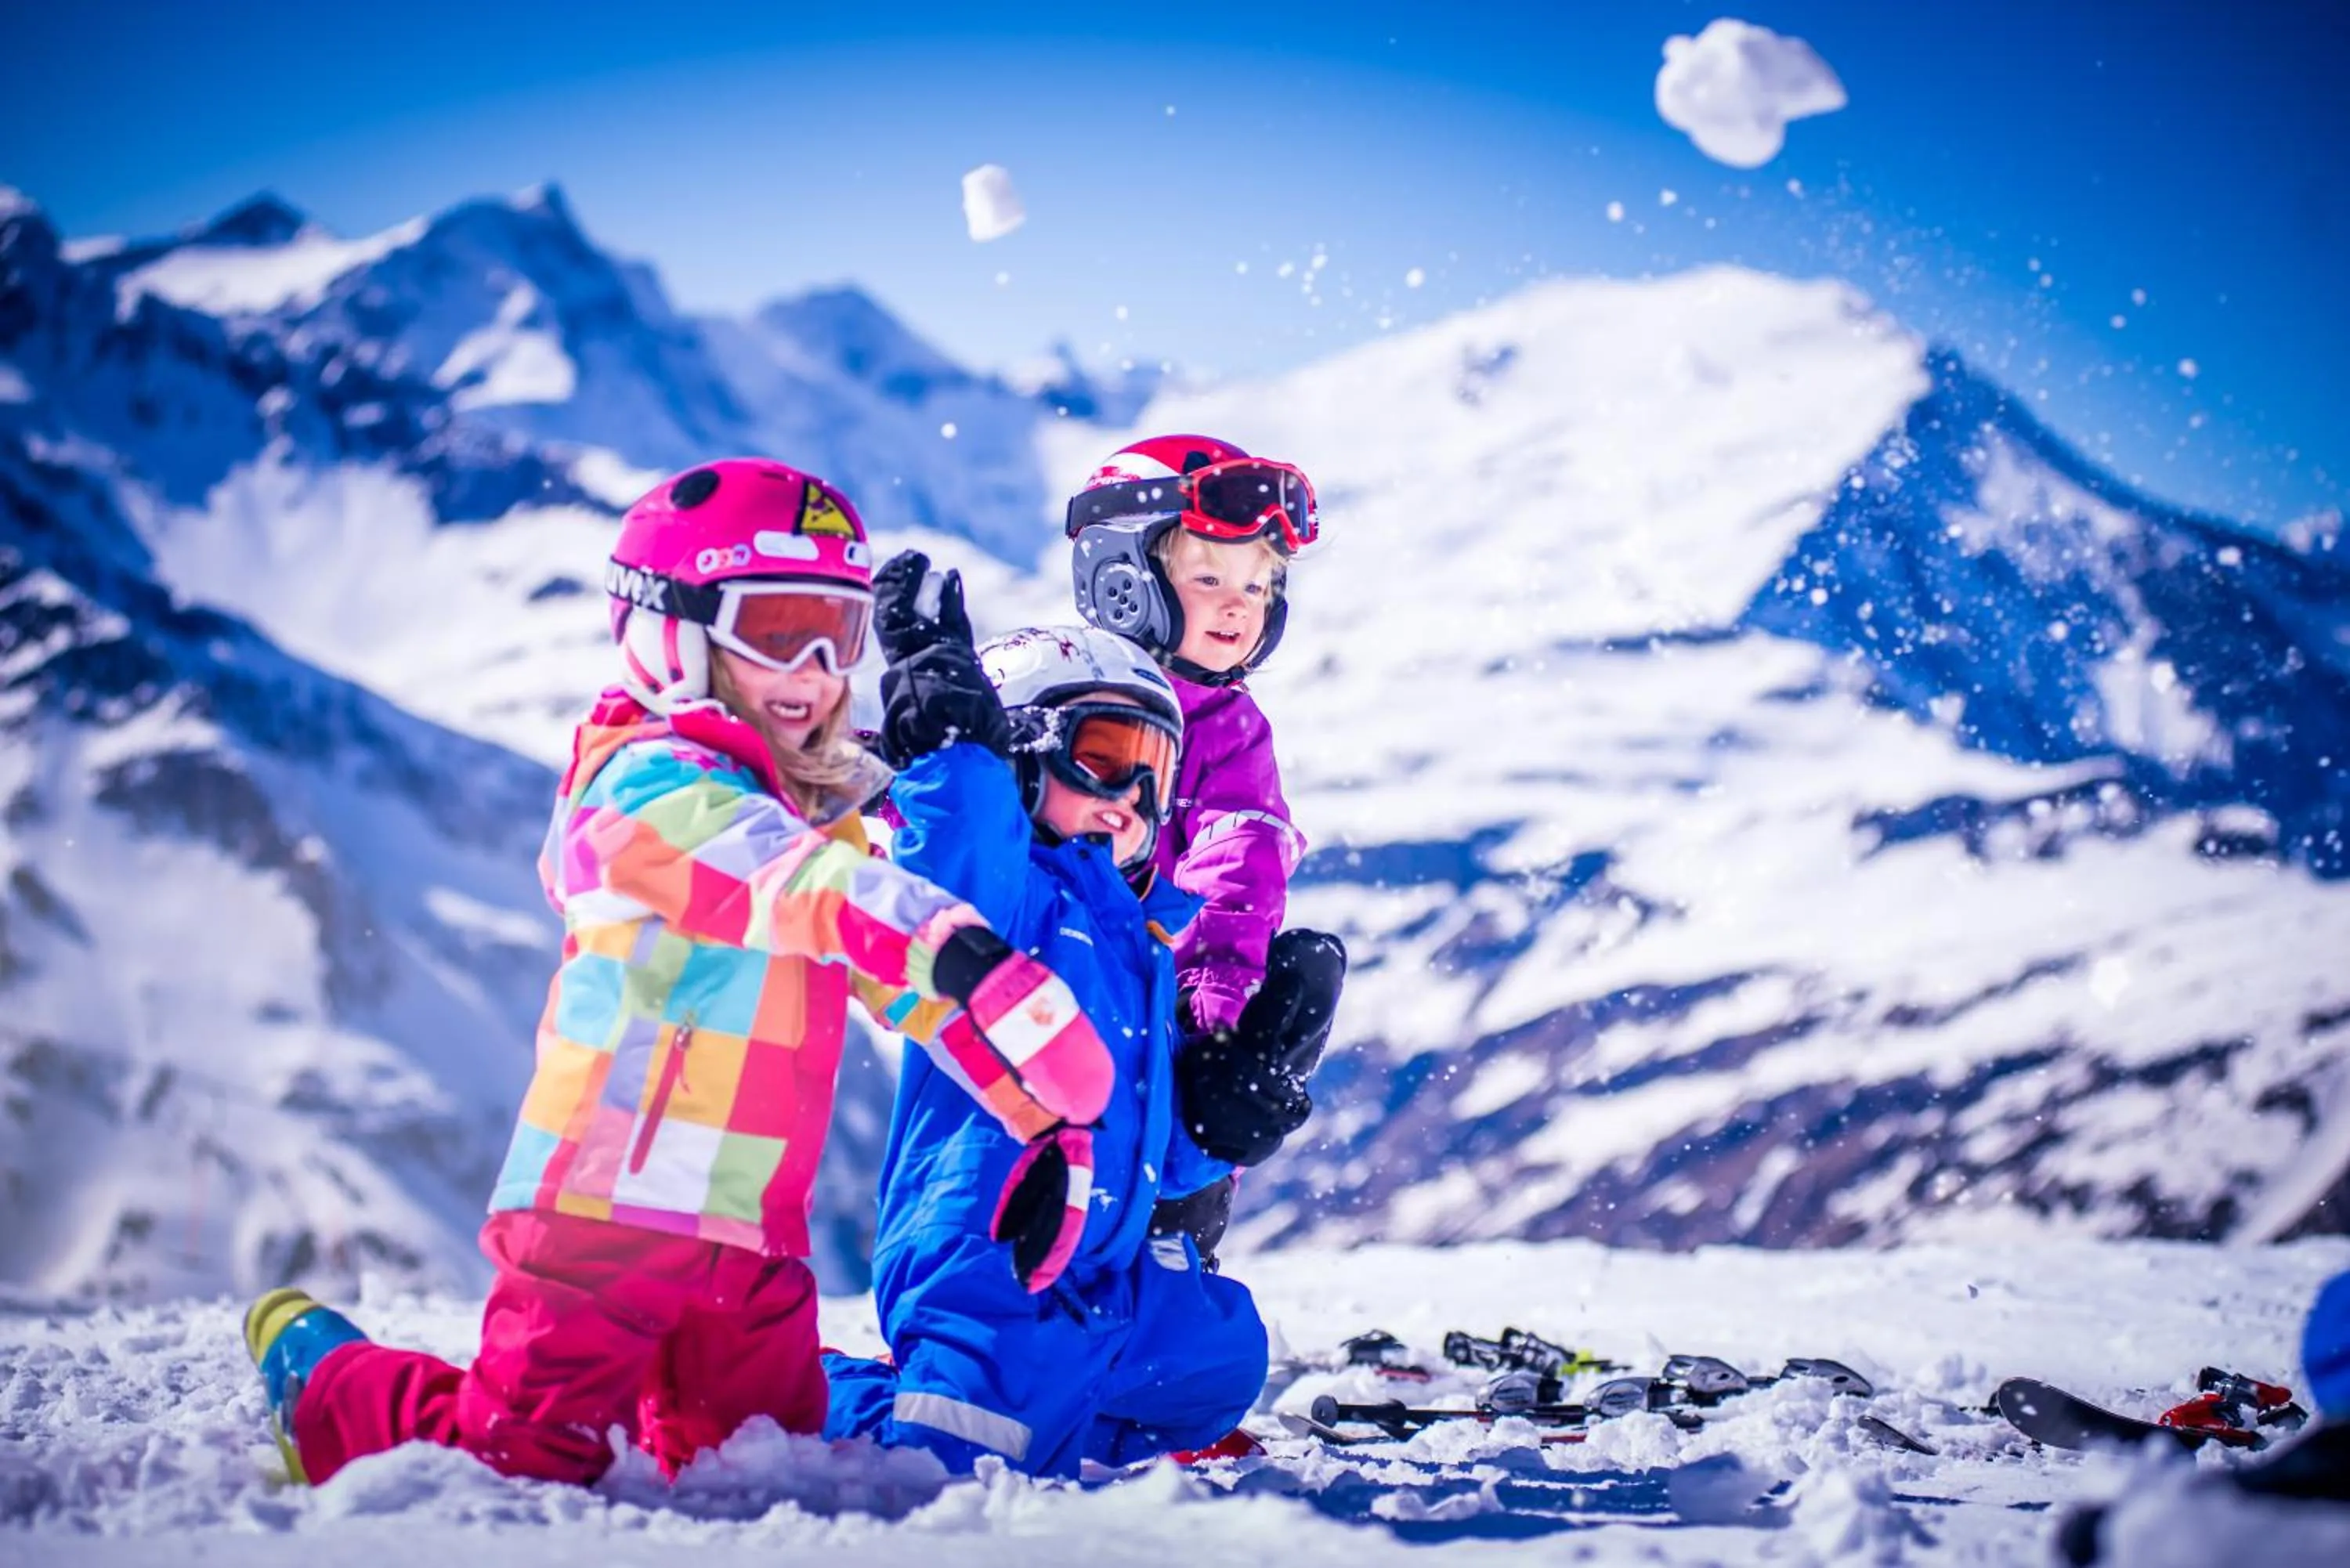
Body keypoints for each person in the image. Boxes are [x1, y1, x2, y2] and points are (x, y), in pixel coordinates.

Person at [241, 459, 1117, 1489]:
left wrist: (1043, 1116)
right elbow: (800, 886)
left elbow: (901, 981)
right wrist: (955, 944)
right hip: (604, 1211)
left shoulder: (804, 816)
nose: (813, 669)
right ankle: (325, 1383)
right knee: (529, 1450)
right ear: (672, 632)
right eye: (777, 629)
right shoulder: (646, 789)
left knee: (760, 1463)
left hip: (753, 1231)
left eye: (837, 634)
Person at [824, 557, 1329, 1476]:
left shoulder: (1143, 946)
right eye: (1101, 757)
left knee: (1218, 1365)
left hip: (1107, 1271)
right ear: (1022, 758)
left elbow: (1151, 1138)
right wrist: (955, 751)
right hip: (991, 1261)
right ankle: (803, 1389)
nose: (1130, 798)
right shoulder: (1007, 906)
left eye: (1154, 770)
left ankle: (1055, 1408)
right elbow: (956, 858)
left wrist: (1225, 1117)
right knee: (952, 1457)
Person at [1065, 434, 1345, 1263]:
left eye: (1258, 585)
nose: (1238, 607)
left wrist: (1218, 997)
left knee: (1158, 1248)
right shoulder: (1051, 689)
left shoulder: (1228, 729)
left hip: (1172, 1014)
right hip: (1050, 1004)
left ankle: (1174, 1258)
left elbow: (1238, 854)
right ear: (1123, 583)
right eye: (1210, 579)